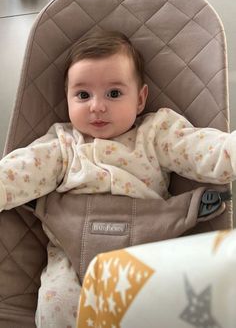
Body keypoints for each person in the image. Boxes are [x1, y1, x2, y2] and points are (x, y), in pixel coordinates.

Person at [0, 30, 235, 327]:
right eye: (83, 95)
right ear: (67, 99)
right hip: (73, 253)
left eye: (113, 93)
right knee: (57, 303)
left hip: (146, 250)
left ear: (139, 99)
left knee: (166, 302)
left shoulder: (155, 133)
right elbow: (19, 172)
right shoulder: (62, 143)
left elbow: (203, 150)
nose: (97, 106)